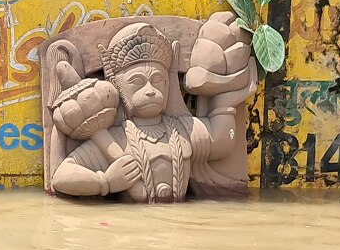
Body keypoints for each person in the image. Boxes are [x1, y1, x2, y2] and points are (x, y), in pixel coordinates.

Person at [51, 22, 256, 202]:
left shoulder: (183, 129)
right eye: (137, 82)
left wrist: (224, 101)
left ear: (168, 83)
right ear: (116, 85)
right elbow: (61, 177)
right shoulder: (116, 140)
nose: (150, 90)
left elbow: (221, 143)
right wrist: (104, 182)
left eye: (158, 80)